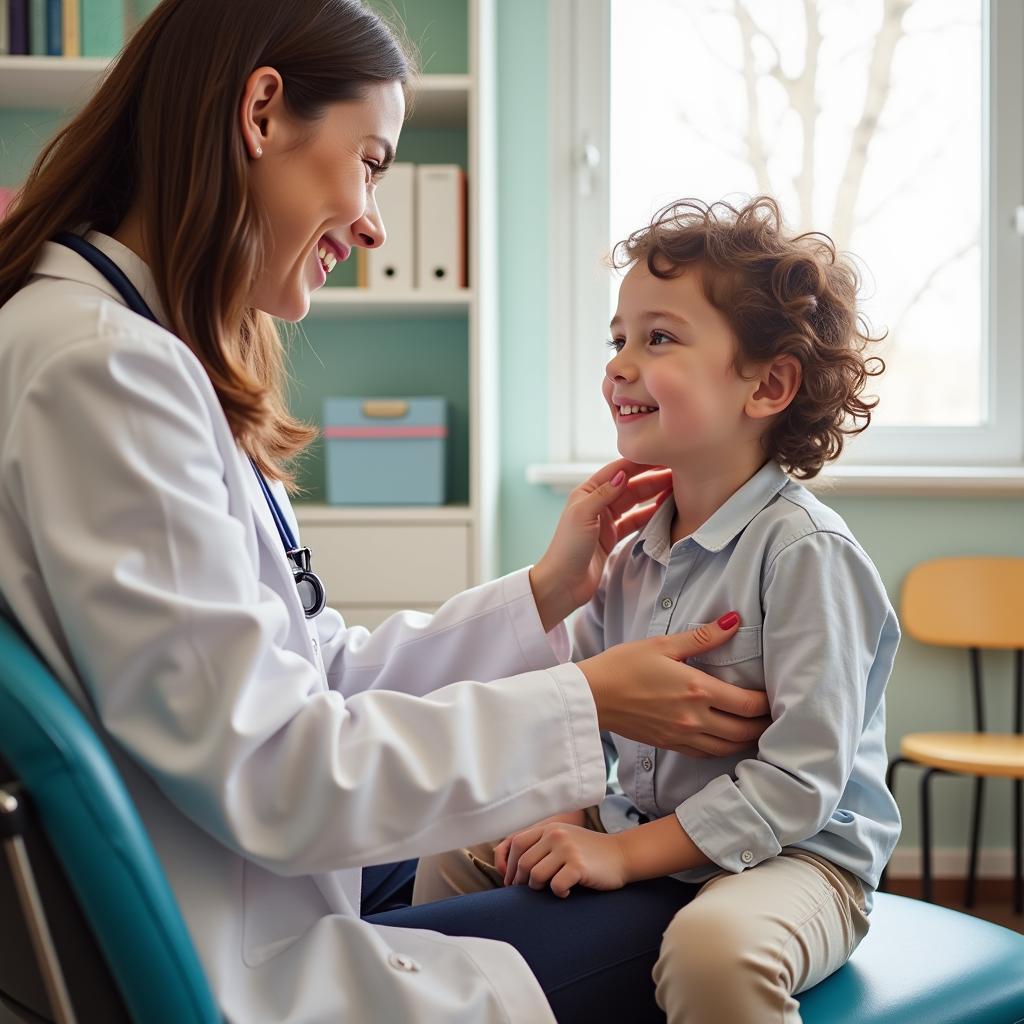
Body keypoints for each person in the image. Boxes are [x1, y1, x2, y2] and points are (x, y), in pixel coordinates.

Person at [0, 3, 775, 1022]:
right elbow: (276, 766)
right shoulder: (103, 372)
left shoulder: (126, 351)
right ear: (262, 112)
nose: (374, 220)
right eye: (370, 161)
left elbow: (313, 679)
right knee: (696, 919)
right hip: (238, 943)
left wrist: (545, 594)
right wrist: (588, 700)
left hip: (252, 873)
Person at [412, 196, 903, 1023]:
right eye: (618, 339)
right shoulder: (630, 552)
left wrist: (620, 853)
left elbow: (800, 785)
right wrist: (563, 819)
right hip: (653, 831)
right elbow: (580, 714)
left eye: (659, 338)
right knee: (460, 852)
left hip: (798, 861)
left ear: (769, 383)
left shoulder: (806, 554)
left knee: (715, 952)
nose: (619, 365)